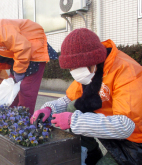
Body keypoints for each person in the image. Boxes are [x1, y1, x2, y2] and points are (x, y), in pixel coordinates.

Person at [30, 28, 142, 165]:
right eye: (70, 69)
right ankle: (91, 154)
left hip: (133, 143)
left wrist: (73, 121)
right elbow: (69, 100)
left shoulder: (127, 73)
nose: (74, 73)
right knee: (74, 106)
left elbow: (126, 126)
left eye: (76, 68)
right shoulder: (91, 70)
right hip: (110, 129)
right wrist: (48, 109)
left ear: (92, 61)